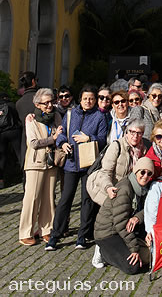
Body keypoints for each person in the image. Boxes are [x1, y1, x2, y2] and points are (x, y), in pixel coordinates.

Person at [45, 85, 108, 251]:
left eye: (92, 99)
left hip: (90, 164)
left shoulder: (99, 117)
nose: (88, 101)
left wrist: (89, 138)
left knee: (87, 201)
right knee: (66, 199)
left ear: (95, 101)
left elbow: (102, 140)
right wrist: (63, 143)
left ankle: (82, 236)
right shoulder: (71, 114)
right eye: (85, 98)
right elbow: (62, 133)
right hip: (71, 163)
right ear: (80, 99)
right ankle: (55, 235)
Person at [93, 156, 153, 273]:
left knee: (149, 257)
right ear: (136, 171)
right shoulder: (126, 189)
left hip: (123, 229)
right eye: (142, 172)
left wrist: (137, 217)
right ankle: (103, 251)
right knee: (133, 266)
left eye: (149, 173)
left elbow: (148, 209)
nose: (145, 176)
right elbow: (120, 223)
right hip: (107, 233)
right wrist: (134, 249)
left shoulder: (143, 189)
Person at [19, 88, 62, 245]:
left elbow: (62, 134)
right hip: (35, 162)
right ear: (37, 104)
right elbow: (33, 143)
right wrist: (53, 138)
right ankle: (25, 232)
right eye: (46, 103)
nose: (50, 105)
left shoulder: (57, 116)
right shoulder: (31, 119)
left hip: (52, 162)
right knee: (32, 198)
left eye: (52, 101)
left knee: (49, 198)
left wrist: (58, 138)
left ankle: (47, 229)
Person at [87, 119, 148, 207]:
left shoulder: (144, 150)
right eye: (132, 132)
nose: (135, 136)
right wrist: (108, 187)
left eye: (139, 133)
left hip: (131, 194)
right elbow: (105, 172)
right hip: (114, 191)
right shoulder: (116, 146)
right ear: (127, 132)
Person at [16, 71, 38, 167]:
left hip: (25, 140)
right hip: (41, 139)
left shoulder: (19, 103)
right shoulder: (41, 99)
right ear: (33, 81)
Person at [0, 89, 21, 188]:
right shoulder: (13, 105)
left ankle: (1, 180)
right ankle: (24, 175)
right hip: (14, 132)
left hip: (1, 133)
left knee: (2, 156)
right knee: (19, 153)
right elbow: (18, 119)